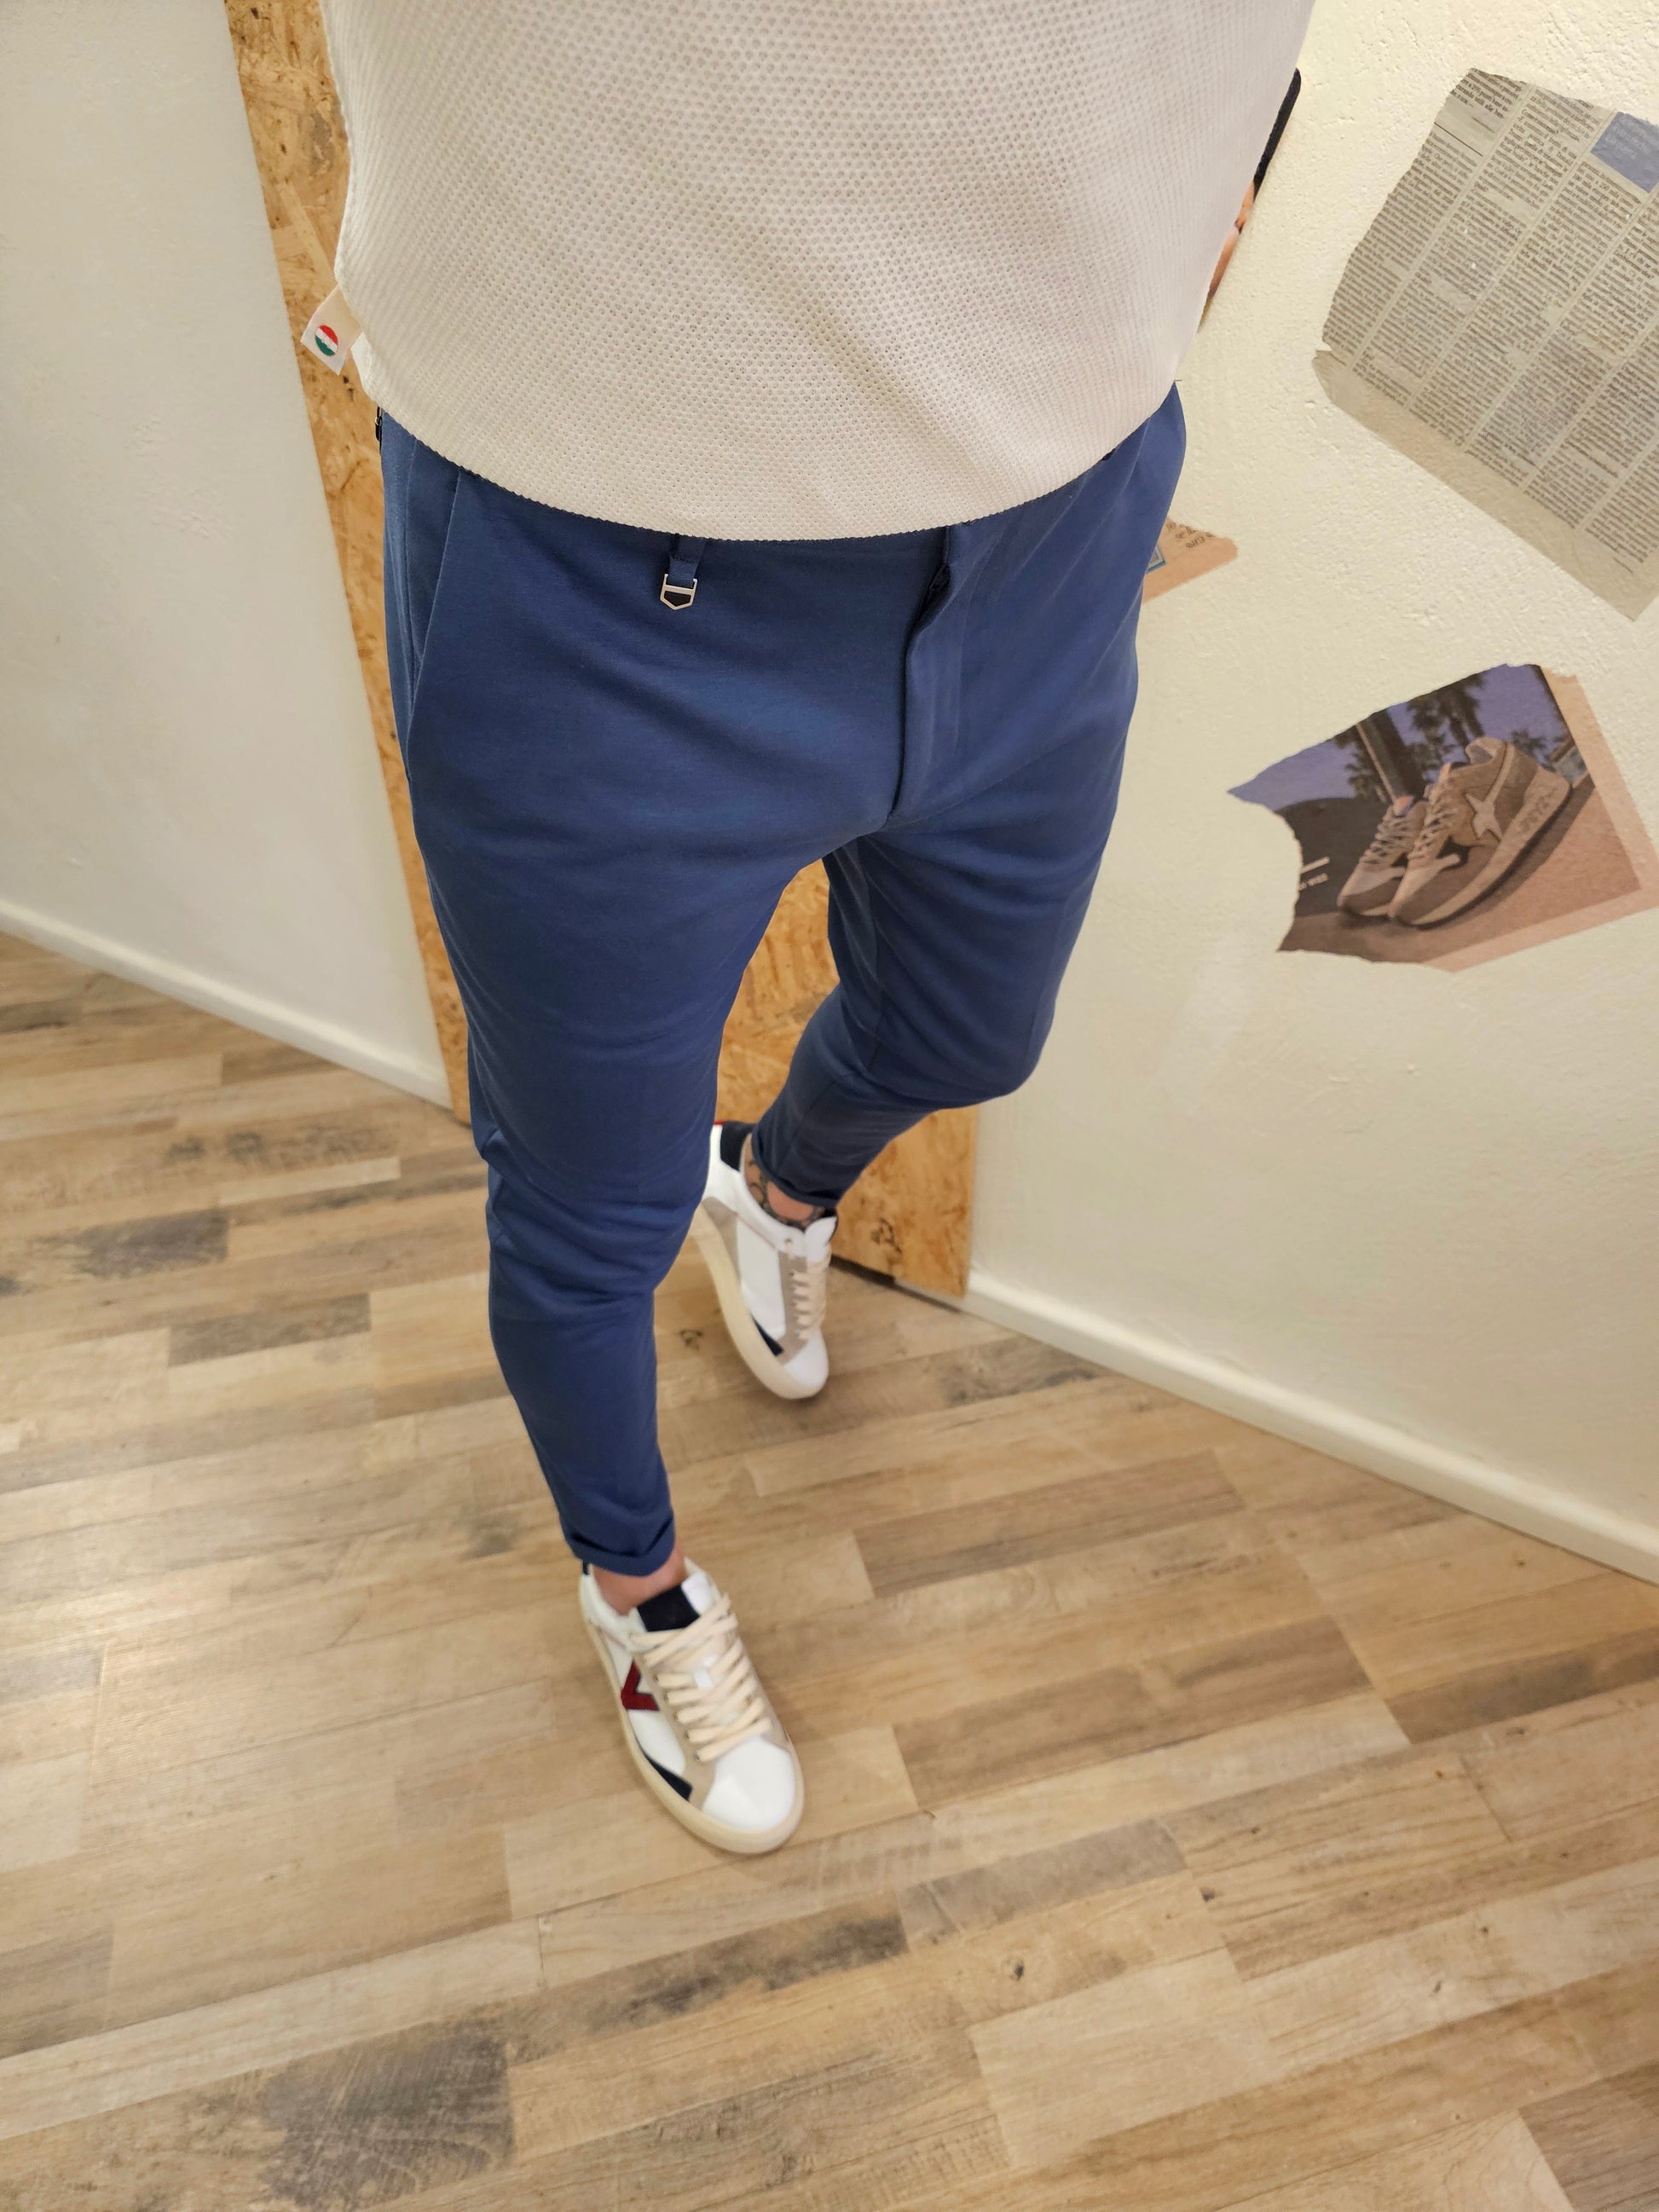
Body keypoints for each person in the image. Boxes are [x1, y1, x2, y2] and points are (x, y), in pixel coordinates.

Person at [313, 0, 1311, 1855]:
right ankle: (636, 1589)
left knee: (968, 1030)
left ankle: (772, 1190)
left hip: (1047, 528)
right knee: (588, 1207)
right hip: (600, 573)